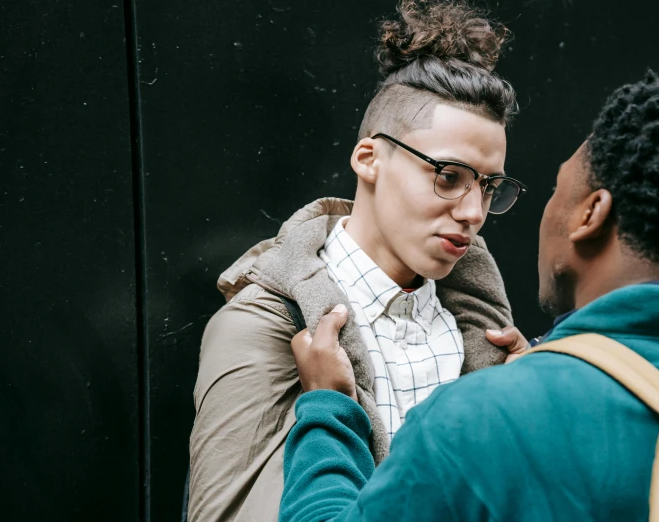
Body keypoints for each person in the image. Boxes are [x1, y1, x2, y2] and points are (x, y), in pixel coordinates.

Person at [280, 70, 659, 521]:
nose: (474, 214)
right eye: (450, 178)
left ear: (591, 214)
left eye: (559, 188)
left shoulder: (475, 422)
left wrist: (328, 406)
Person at [187, 1, 526, 520]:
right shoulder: (264, 326)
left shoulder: (482, 333)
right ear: (369, 159)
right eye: (449, 176)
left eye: (489, 187)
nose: (474, 211)